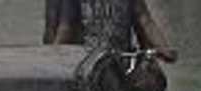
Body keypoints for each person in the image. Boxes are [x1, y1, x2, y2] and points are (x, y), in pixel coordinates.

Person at [44, 0, 178, 62]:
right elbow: (66, 27)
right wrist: (53, 57)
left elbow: (145, 20)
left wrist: (164, 48)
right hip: (88, 63)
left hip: (121, 60)